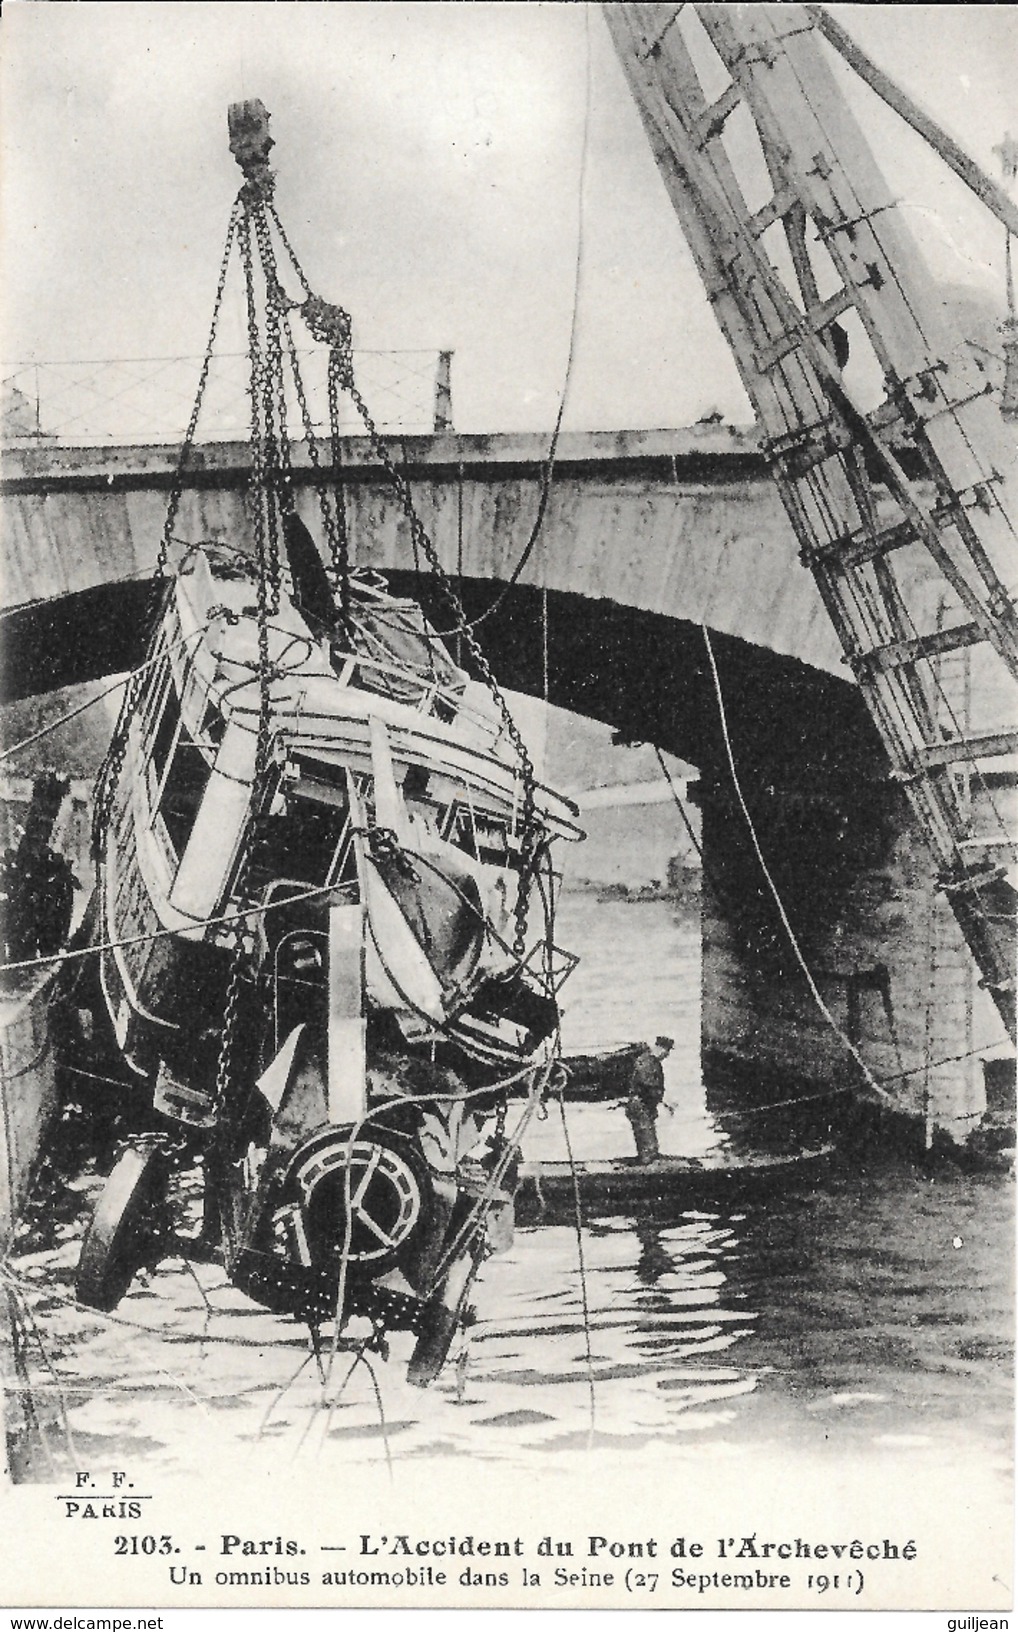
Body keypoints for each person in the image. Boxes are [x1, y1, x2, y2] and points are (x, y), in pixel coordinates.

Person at [624, 1036, 674, 1164]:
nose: (667, 1055)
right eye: (667, 1051)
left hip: (643, 1104)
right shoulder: (647, 1062)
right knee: (646, 1139)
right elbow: (648, 1086)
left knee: (648, 1139)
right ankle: (648, 1166)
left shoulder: (650, 1061)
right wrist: (663, 1100)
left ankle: (650, 1161)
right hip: (640, 1105)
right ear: (660, 1048)